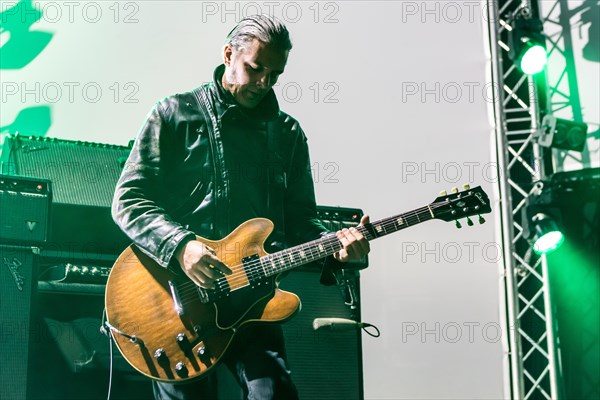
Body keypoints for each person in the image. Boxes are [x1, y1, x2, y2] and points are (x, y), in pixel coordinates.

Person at [111, 14, 370, 400]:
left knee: (275, 393)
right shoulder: (173, 114)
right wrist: (182, 247)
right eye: (255, 68)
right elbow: (128, 200)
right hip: (173, 301)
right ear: (229, 54)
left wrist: (339, 251)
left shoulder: (287, 134)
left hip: (253, 301)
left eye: (275, 74)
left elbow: (301, 222)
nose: (265, 82)